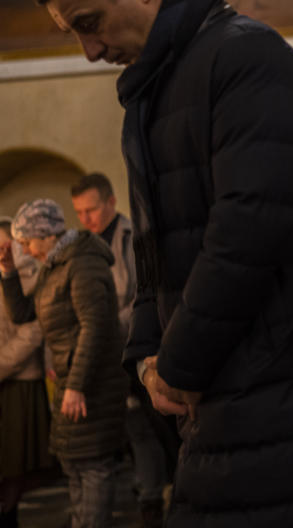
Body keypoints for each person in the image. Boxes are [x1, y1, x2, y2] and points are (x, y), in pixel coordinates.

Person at [32, 0, 293, 527]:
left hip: (284, 395)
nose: (89, 50)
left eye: (88, 22)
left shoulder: (248, 56)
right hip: (219, 396)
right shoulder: (151, 91)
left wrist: (178, 365)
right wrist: (146, 354)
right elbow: (153, 249)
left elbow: (250, 228)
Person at [0, 199, 126, 528]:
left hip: (91, 384)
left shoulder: (83, 264)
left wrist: (77, 386)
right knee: (75, 464)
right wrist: (8, 272)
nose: (24, 249)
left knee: (93, 467)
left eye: (25, 242)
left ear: (45, 234)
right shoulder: (55, 266)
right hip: (71, 382)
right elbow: (24, 313)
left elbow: (94, 326)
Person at [70, 173, 170, 528]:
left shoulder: (130, 238)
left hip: (133, 342)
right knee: (127, 427)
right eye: (79, 213)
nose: (86, 219)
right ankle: (145, 485)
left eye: (91, 209)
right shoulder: (83, 246)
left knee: (147, 425)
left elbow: (141, 294)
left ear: (111, 202)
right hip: (106, 350)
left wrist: (103, 324)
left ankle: (152, 493)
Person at [0, 218, 53, 528]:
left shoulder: (34, 277)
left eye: (4, 245)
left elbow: (32, 333)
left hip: (18, 381)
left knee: (14, 459)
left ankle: (8, 516)